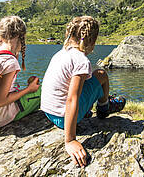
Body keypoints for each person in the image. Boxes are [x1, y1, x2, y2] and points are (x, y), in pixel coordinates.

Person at [40, 16, 126, 167]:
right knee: (101, 75)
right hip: (62, 118)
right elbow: (72, 99)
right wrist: (70, 140)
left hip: (48, 112)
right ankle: (104, 108)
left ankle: (91, 108)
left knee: (88, 80)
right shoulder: (81, 60)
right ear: (90, 40)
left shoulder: (60, 54)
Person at [0, 16, 41, 128]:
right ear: (21, 37)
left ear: (0, 35)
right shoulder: (10, 62)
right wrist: (28, 89)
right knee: (42, 91)